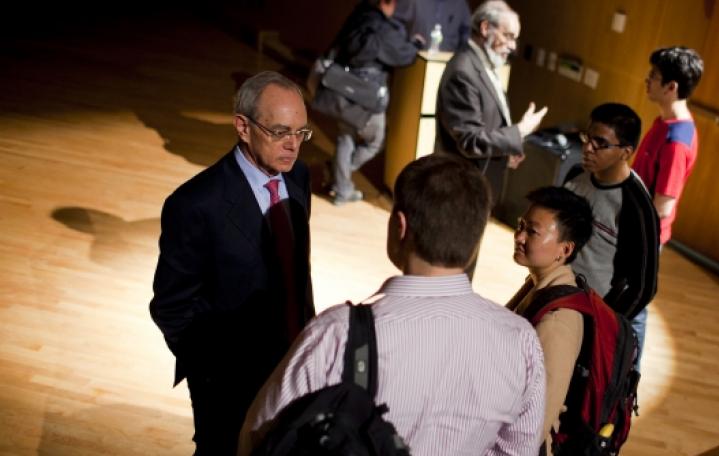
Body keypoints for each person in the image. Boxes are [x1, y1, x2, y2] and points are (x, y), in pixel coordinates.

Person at [238, 154, 546, 456]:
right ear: (476, 238)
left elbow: (260, 436)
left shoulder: (337, 333)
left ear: (400, 226)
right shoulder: (521, 340)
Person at [150, 71, 315, 454]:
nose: (293, 146)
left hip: (292, 362)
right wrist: (209, 372)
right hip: (227, 381)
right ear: (243, 126)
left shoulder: (299, 177)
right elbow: (170, 307)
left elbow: (295, 270)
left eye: (301, 133)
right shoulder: (195, 204)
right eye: (280, 132)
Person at [564, 103, 659, 365]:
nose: (588, 147)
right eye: (587, 137)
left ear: (625, 152)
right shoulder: (575, 176)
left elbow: (645, 286)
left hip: (593, 318)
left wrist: (606, 323)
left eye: (600, 143)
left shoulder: (636, 206)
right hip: (558, 301)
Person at [506, 186, 594, 455]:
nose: (519, 236)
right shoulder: (539, 284)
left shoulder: (558, 322)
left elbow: (539, 418)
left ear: (564, 249)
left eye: (532, 231)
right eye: (521, 225)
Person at [435, 0, 548, 204]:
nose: (513, 46)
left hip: (478, 187)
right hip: (460, 190)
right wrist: (519, 131)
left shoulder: (485, 66)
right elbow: (470, 141)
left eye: (515, 38)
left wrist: (507, 150)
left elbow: (488, 126)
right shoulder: (464, 71)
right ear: (485, 28)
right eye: (508, 36)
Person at [327, 0, 422, 205]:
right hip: (368, 93)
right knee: (375, 141)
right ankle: (340, 177)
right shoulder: (383, 27)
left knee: (346, 137)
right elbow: (403, 55)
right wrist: (416, 45)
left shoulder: (357, 15)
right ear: (389, 3)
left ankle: (341, 184)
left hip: (342, 87)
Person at [632, 46, 704, 246]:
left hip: (642, 236)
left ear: (671, 87)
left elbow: (663, 207)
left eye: (653, 76)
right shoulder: (664, 122)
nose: (647, 79)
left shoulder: (676, 143)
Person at [393, 0, 472, 52]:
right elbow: (395, 25)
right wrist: (409, 44)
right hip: (413, 64)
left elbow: (466, 35)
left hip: (447, 66)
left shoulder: (460, 4)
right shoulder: (413, 1)